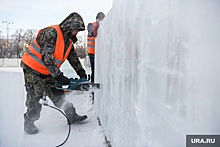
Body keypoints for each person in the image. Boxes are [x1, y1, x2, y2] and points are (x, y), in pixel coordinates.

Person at [21, 12, 88, 134]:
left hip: (48, 71)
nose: (76, 33)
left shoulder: (67, 41)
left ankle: (71, 116)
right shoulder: (51, 33)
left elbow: (72, 57)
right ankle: (29, 121)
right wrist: (59, 76)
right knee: (35, 97)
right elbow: (47, 57)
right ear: (69, 26)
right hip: (33, 69)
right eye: (76, 29)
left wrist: (81, 71)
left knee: (58, 95)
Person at [87, 12, 105, 82]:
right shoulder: (91, 25)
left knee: (102, 71)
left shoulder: (105, 27)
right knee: (95, 72)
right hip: (93, 53)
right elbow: (91, 32)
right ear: (96, 19)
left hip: (101, 53)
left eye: (103, 19)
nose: (101, 21)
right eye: (99, 19)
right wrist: (97, 26)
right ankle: (93, 89)